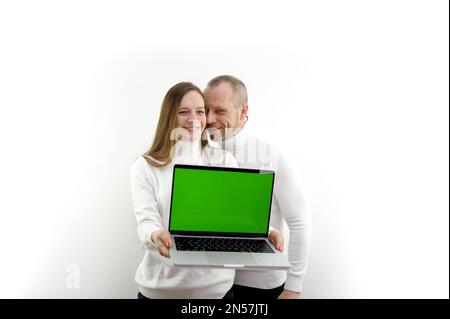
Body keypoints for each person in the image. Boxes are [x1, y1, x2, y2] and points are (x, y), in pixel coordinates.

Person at [203, 75, 313, 299]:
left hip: (259, 285)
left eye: (220, 111)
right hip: (212, 282)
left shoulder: (270, 155)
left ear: (244, 111)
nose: (209, 118)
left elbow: (300, 221)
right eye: (205, 110)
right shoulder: (199, 155)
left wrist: (294, 287)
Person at [130, 82, 238, 299]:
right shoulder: (145, 165)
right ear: (170, 116)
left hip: (217, 291)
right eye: (183, 112)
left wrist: (267, 230)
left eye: (200, 111)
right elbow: (146, 222)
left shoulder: (224, 160)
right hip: (161, 290)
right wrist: (155, 235)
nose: (193, 119)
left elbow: (237, 216)